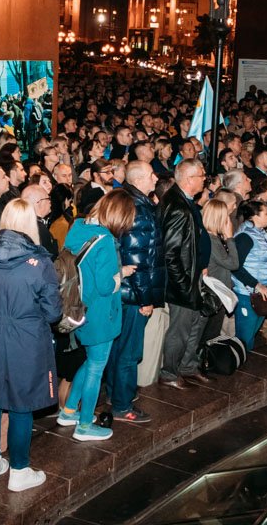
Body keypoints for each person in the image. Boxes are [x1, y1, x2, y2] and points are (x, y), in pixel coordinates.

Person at [0, 199, 61, 493]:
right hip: (25, 339)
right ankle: (19, 470)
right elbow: (53, 312)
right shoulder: (40, 263)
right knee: (22, 404)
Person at [56, 190, 136, 440]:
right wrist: (121, 275)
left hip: (81, 308)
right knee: (96, 368)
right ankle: (84, 425)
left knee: (90, 362)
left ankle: (69, 411)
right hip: (100, 315)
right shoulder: (105, 240)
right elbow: (105, 285)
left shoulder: (78, 227)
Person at [107, 162, 162, 423]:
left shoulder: (133, 202)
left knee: (119, 348)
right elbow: (137, 258)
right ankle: (122, 405)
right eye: (151, 174)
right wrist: (145, 299)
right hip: (133, 294)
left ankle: (115, 394)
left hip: (125, 292)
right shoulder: (138, 209)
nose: (156, 178)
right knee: (129, 352)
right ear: (139, 180)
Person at [158, 159, 210, 388]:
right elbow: (171, 253)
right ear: (189, 179)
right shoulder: (178, 207)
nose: (205, 179)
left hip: (191, 276)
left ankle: (187, 366)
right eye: (201, 175)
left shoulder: (185, 201)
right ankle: (169, 373)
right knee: (179, 330)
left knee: (194, 324)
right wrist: (183, 286)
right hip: (182, 283)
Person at [231, 200, 267, 350]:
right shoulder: (245, 237)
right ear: (254, 216)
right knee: (245, 337)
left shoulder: (261, 233)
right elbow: (235, 267)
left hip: (261, 292)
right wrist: (257, 285)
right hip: (248, 294)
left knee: (252, 333)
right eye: (266, 213)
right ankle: (243, 362)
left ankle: (249, 359)